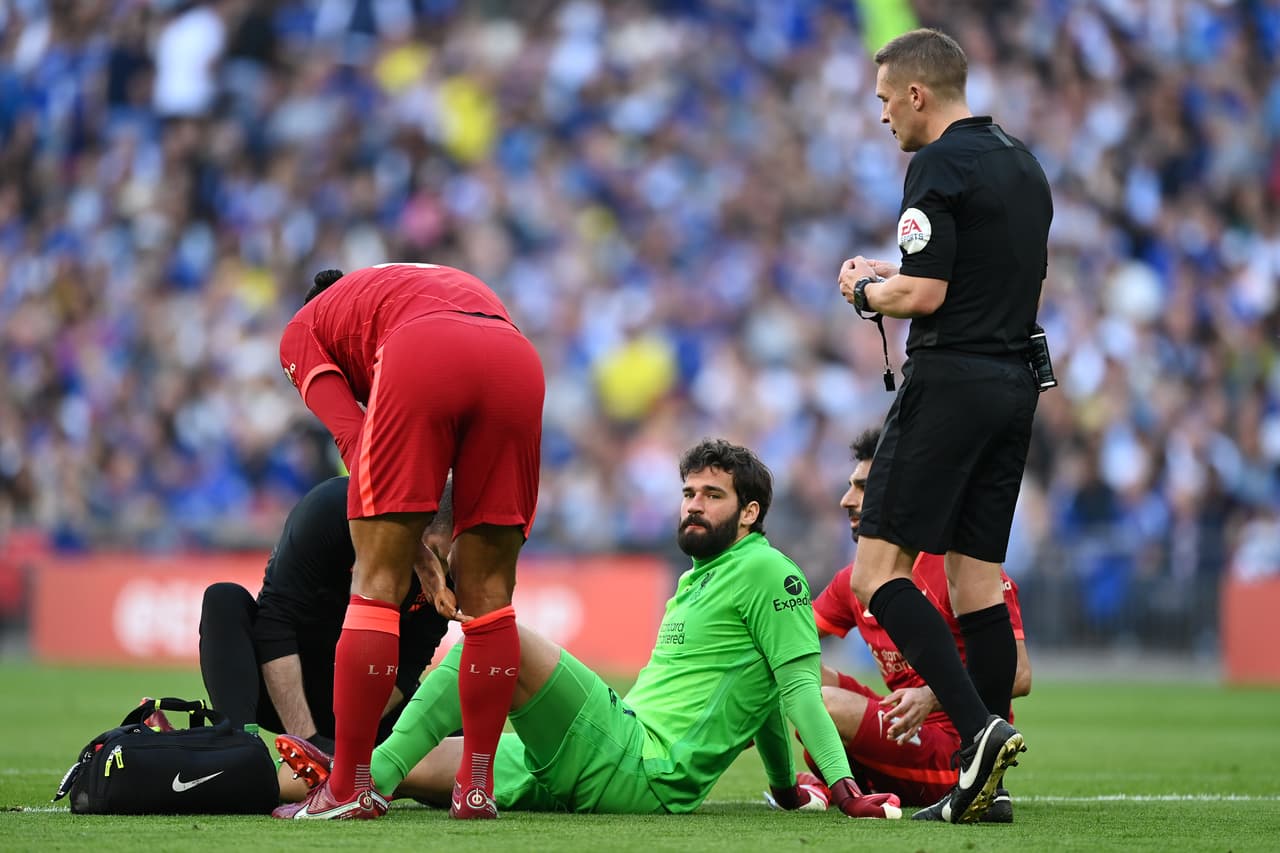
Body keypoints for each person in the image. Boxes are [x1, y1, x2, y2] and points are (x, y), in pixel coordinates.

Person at [279, 439, 903, 820]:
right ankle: (309, 776)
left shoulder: (769, 571)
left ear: (750, 513)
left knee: (496, 640)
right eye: (688, 492)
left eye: (712, 495)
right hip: (603, 759)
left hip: (643, 768)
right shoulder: (700, 578)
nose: (693, 504)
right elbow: (762, 697)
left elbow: (796, 690)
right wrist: (785, 790)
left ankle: (360, 788)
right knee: (418, 760)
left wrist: (844, 790)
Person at [835, 28, 1053, 823]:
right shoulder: (1024, 164)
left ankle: (978, 730)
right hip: (1016, 381)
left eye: (886, 99)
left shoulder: (937, 164)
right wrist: (897, 276)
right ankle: (982, 786)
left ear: (918, 93)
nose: (883, 115)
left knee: (875, 572)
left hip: (952, 381)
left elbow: (925, 295)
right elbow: (983, 277)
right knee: (975, 581)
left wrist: (864, 289)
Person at [272, 262, 545, 820]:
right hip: (515, 356)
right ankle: (475, 789)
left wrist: (409, 551)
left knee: (376, 581)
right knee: (491, 598)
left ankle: (348, 788)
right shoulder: (401, 286)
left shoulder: (303, 327)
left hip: (423, 351)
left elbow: (355, 441)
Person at [805, 429, 1031, 821]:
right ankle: (855, 785)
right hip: (905, 731)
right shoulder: (855, 579)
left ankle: (846, 784)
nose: (847, 500)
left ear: (901, 496)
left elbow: (1020, 676)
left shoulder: (963, 574)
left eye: (863, 487)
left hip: (955, 749)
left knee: (823, 704)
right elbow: (790, 637)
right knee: (801, 674)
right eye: (850, 485)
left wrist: (931, 695)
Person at [196, 476, 452, 799]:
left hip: (363, 696)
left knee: (455, 735)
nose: (445, 571)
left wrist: (349, 740)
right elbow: (275, 625)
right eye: (439, 556)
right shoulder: (330, 511)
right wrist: (308, 744)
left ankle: (367, 769)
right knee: (223, 600)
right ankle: (242, 753)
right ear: (421, 531)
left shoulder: (458, 566)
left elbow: (411, 663)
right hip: (284, 683)